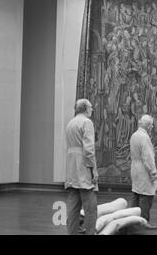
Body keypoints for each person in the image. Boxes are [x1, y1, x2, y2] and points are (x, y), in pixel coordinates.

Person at [65, 99, 98, 235]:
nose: (92, 109)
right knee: (90, 208)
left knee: (73, 208)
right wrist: (93, 170)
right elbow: (89, 149)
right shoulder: (86, 122)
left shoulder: (70, 123)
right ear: (85, 108)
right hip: (83, 167)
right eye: (90, 107)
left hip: (71, 167)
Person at [129, 114, 157, 230]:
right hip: (144, 169)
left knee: (136, 194)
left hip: (135, 167)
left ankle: (132, 220)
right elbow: (148, 157)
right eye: (151, 125)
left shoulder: (135, 135)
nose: (152, 127)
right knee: (146, 196)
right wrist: (153, 172)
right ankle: (144, 221)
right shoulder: (144, 137)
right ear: (147, 125)